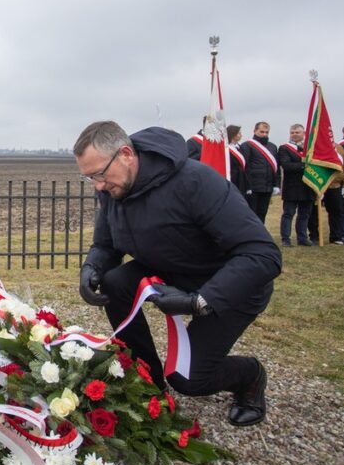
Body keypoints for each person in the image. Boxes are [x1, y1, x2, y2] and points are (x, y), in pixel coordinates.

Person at [74, 121, 282, 427]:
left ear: (127, 154)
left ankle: (249, 376)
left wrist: (200, 300)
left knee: (189, 379)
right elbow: (106, 244)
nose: (98, 186)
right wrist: (92, 266)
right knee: (113, 282)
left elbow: (263, 255)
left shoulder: (195, 182)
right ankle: (148, 380)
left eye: (100, 174)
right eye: (89, 177)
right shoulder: (113, 190)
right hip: (172, 269)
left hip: (228, 285)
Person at [277, 124, 314, 247]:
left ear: (304, 133)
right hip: (292, 186)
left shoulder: (310, 148)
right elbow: (287, 166)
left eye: (297, 132)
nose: (294, 134)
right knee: (288, 214)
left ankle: (302, 238)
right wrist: (305, 166)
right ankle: (285, 239)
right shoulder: (284, 148)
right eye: (292, 132)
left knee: (304, 214)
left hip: (308, 185)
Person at [240, 122, 282, 223]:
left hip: (267, 186)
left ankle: (260, 235)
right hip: (253, 187)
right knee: (251, 213)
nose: (264, 134)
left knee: (262, 213)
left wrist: (277, 184)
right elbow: (245, 168)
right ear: (255, 131)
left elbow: (276, 167)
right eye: (261, 132)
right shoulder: (247, 146)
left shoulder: (272, 147)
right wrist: (247, 186)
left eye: (266, 132)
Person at [227, 124, 249, 198]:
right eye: (239, 133)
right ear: (233, 134)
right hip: (233, 177)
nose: (241, 135)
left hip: (241, 178)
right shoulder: (226, 148)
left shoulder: (240, 148)